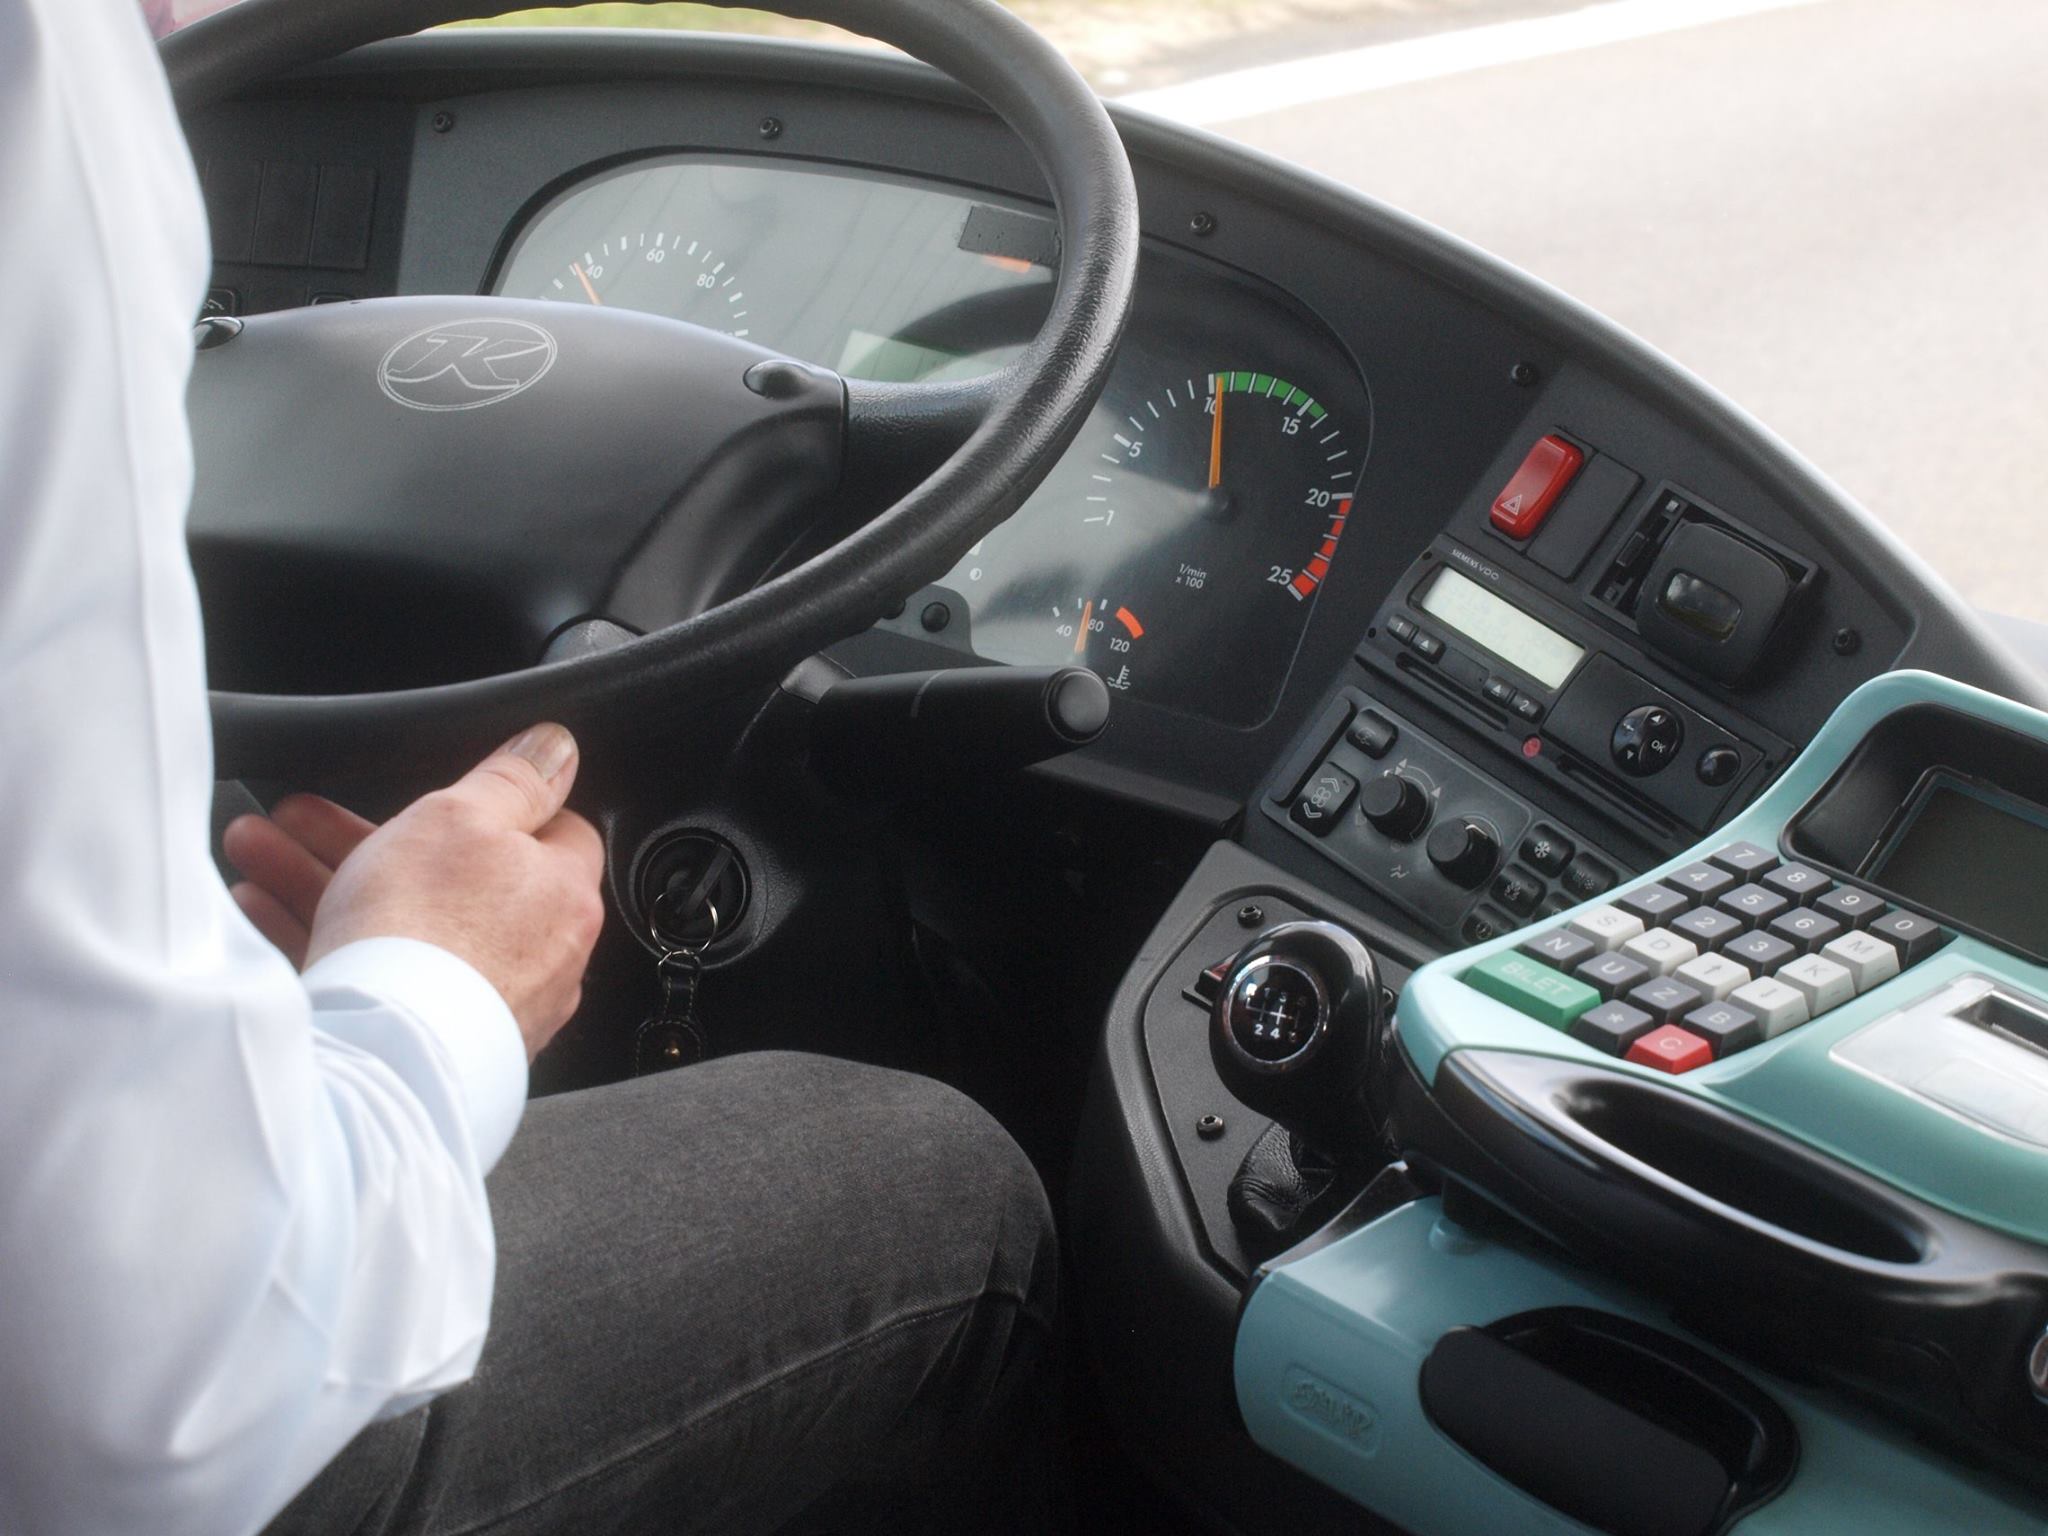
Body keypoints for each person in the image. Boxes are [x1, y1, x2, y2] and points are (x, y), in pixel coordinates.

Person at [0, 4, 1056, 1534]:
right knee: (949, 1184)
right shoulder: (48, 88)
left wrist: (184, 1010)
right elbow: (160, 1396)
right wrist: (430, 997)